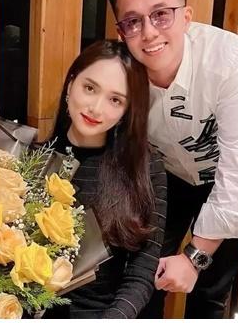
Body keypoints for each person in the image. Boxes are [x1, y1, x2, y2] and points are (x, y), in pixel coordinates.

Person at [107, 0, 238, 318]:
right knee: (144, 282)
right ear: (121, 32)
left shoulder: (226, 58)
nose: (149, 33)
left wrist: (195, 257)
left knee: (210, 292)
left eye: (161, 14)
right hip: (164, 179)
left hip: (224, 177)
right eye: (133, 22)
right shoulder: (118, 71)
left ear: (186, 16)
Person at [42, 40, 167, 318]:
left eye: (115, 100)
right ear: (71, 84)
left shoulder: (144, 168)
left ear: (126, 111)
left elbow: (141, 274)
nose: (96, 108)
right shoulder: (32, 161)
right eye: (90, 88)